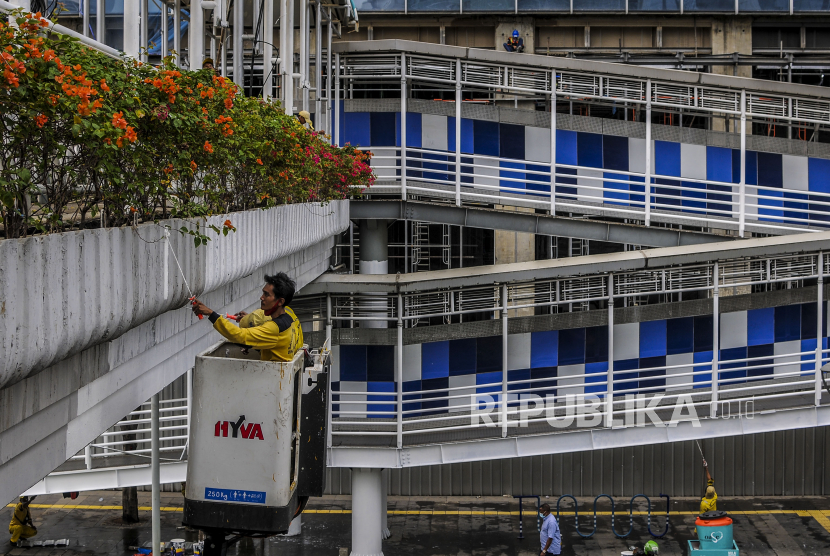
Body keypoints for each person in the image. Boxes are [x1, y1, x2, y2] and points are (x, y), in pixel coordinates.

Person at [191, 272, 304, 362]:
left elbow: (240, 336)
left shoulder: (275, 328)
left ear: (280, 302)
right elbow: (274, 341)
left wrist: (211, 314)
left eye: (266, 294)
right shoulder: (288, 319)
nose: (261, 297)